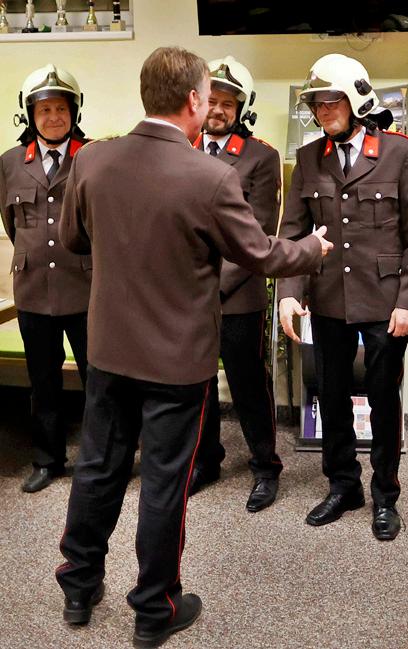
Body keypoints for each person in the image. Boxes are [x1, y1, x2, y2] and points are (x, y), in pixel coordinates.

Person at [55, 46, 332, 648]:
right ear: (191, 101)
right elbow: (261, 254)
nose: (210, 106)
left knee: (98, 466)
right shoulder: (211, 177)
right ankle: (154, 609)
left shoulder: (91, 160)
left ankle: (78, 585)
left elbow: (74, 239)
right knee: (163, 483)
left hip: (108, 351)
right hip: (175, 362)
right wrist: (312, 249)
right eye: (208, 96)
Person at [278, 53, 408, 541]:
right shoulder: (308, 158)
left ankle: (385, 494)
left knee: (384, 399)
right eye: (316, 103)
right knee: (331, 395)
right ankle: (343, 485)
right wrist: (288, 292)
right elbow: (293, 231)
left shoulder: (401, 153)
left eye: (332, 100)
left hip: (386, 300)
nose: (323, 110)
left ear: (355, 99)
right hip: (327, 298)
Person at [190, 55, 283, 512]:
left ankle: (266, 466)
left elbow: (259, 234)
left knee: (248, 385)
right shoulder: (182, 147)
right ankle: (206, 460)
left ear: (241, 108)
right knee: (198, 382)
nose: (219, 110)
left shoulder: (261, 157)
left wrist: (211, 285)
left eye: (228, 103)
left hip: (238, 294)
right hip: (188, 294)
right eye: (213, 100)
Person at [0, 64, 91, 493]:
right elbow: (11, 222)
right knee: (43, 380)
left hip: (85, 288)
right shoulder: (10, 163)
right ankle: (47, 459)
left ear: (75, 111)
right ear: (29, 114)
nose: (53, 117)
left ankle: (101, 458)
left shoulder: (91, 157)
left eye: (61, 108)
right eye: (44, 109)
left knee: (97, 377)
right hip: (34, 290)